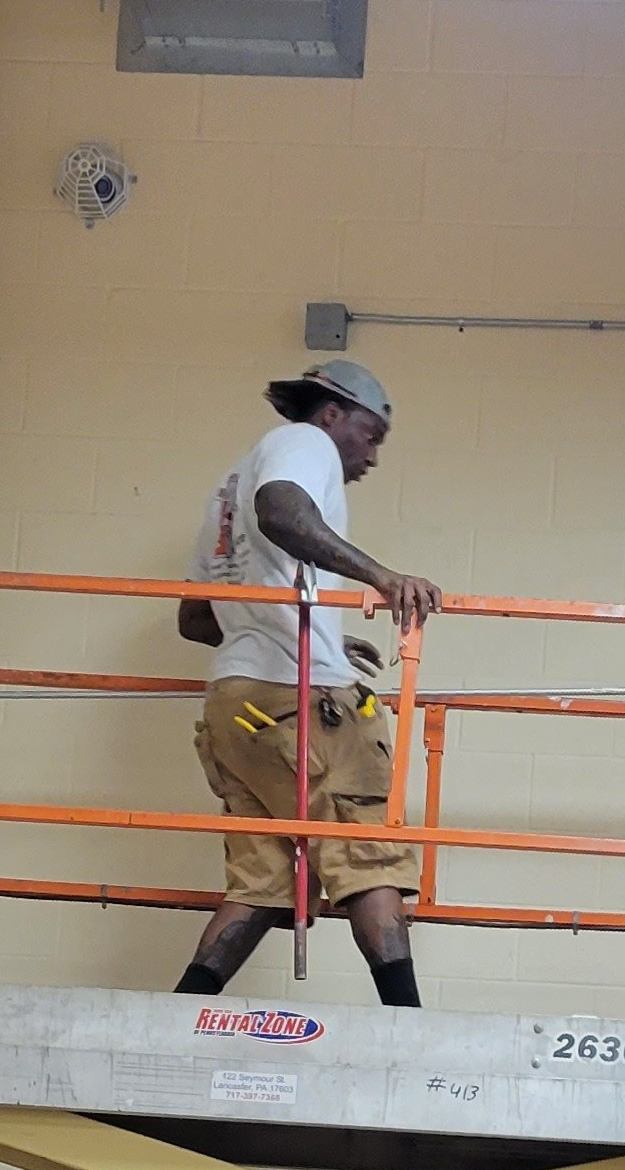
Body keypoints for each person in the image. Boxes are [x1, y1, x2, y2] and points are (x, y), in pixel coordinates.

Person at [174, 359, 441, 1005]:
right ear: (331, 414)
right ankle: (409, 1029)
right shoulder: (303, 444)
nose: (371, 455)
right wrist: (381, 577)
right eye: (370, 434)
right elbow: (282, 512)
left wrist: (317, 626)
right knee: (368, 860)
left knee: (261, 884)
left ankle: (179, 1017)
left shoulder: (227, 487)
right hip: (302, 703)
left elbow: (194, 618)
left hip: (235, 708)